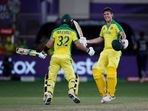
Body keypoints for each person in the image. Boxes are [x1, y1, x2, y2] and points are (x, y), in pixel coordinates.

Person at [37, 14, 95, 105]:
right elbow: (78, 45)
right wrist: (88, 50)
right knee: (73, 77)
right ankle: (72, 92)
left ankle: (48, 95)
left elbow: (49, 44)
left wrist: (43, 52)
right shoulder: (72, 32)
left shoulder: (55, 31)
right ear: (69, 23)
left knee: (50, 78)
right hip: (66, 58)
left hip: (55, 57)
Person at [84, 7, 128, 103]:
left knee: (111, 70)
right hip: (105, 51)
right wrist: (87, 41)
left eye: (108, 14)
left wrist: (124, 40)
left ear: (112, 15)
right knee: (96, 71)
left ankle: (111, 94)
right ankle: (104, 95)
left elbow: (123, 34)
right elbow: (100, 39)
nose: (106, 16)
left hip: (115, 51)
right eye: (105, 15)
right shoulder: (104, 27)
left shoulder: (116, 25)